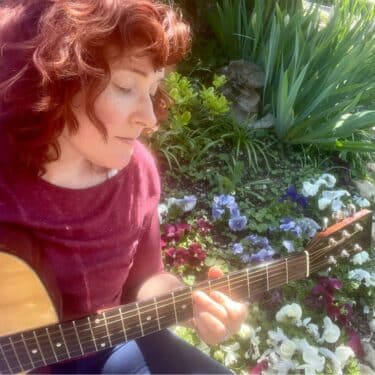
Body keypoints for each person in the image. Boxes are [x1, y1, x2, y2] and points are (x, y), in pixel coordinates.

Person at [0, 0, 248, 373]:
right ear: (57, 77)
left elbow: (145, 279)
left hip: (106, 352)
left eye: (152, 90)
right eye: (125, 85)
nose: (149, 118)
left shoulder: (136, 172)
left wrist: (193, 306)